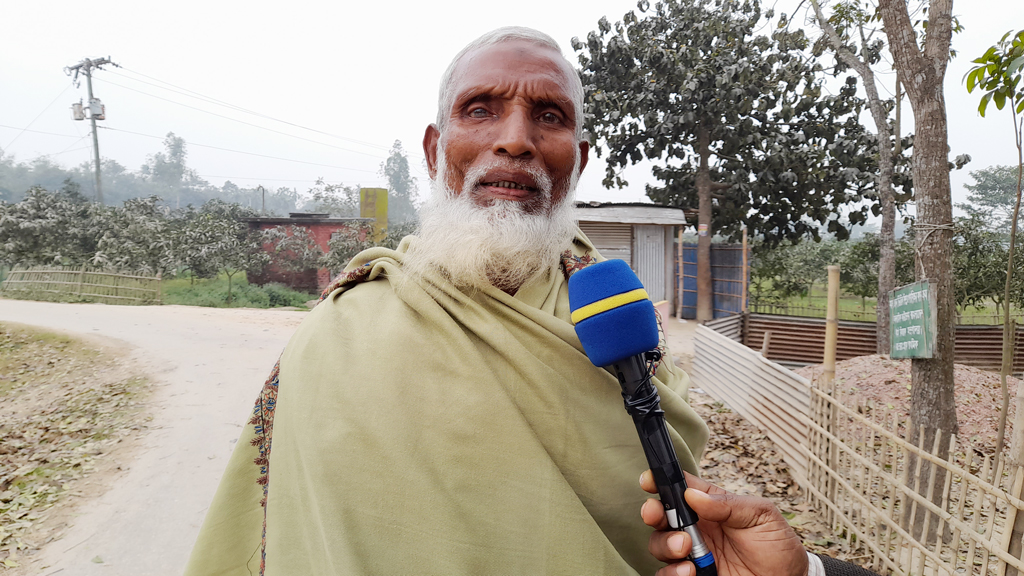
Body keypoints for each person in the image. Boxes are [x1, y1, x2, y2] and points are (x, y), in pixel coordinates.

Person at [185, 26, 880, 576]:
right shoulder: (338, 335)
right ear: (436, 149)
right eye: (480, 109)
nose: (514, 138)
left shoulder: (623, 330)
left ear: (577, 158)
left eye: (546, 116)